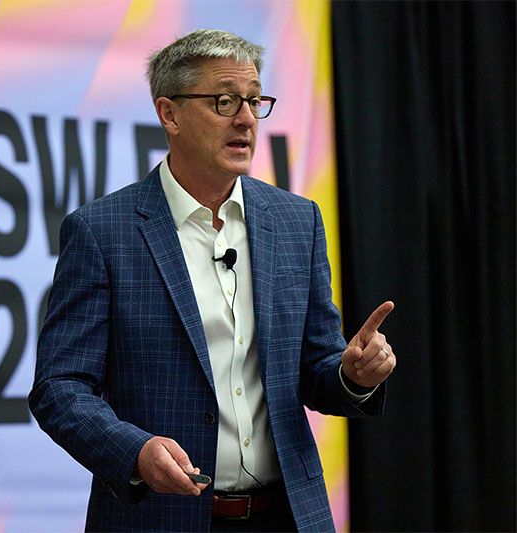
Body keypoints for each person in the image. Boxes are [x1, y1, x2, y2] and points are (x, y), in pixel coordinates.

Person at [29, 29, 395, 532]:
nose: (246, 118)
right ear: (169, 114)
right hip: (159, 517)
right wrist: (134, 452)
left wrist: (352, 376)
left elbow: (315, 367)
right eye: (224, 101)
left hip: (286, 515)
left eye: (253, 101)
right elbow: (60, 387)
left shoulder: (296, 221)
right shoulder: (102, 232)